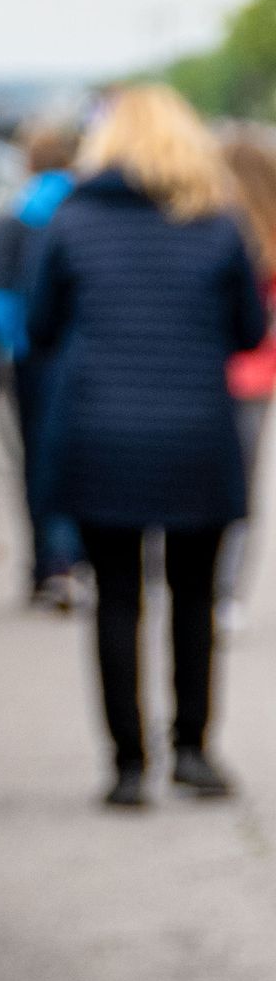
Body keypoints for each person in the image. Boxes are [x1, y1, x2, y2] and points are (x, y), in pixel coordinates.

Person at [29, 85, 269, 806]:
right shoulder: (221, 224)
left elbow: (41, 328)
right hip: (197, 431)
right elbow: (251, 332)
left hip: (102, 432)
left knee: (118, 596)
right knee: (194, 593)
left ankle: (128, 764)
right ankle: (194, 749)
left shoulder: (71, 221)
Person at [0, 115, 83, 607]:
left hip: (32, 355)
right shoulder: (88, 210)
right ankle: (80, 558)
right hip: (87, 353)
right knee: (84, 455)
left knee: (38, 458)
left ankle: (48, 565)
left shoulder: (17, 216)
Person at [219, 131, 276, 630]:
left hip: (205, 370)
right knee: (243, 486)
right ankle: (230, 595)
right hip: (257, 375)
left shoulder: (211, 226)